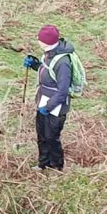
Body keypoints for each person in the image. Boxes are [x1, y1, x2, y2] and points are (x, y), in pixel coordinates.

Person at [23, 24, 73, 171]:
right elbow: (47, 72)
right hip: (43, 102)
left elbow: (63, 90)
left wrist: (49, 106)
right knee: (42, 135)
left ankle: (57, 166)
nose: (37, 40)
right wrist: (35, 65)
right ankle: (43, 164)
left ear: (46, 41)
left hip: (55, 106)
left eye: (39, 38)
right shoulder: (49, 53)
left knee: (52, 137)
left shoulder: (63, 62)